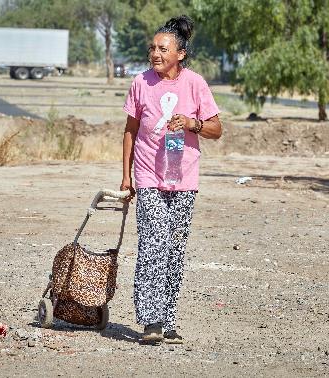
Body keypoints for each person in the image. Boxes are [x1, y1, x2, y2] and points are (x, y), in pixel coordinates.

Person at [120, 15, 222, 344]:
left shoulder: (195, 84)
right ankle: (150, 322)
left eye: (163, 49)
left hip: (184, 177)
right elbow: (130, 132)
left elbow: (216, 130)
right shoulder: (140, 83)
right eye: (152, 48)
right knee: (154, 242)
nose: (155, 54)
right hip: (148, 174)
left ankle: (168, 320)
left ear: (180, 54)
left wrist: (193, 124)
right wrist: (126, 176)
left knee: (175, 250)